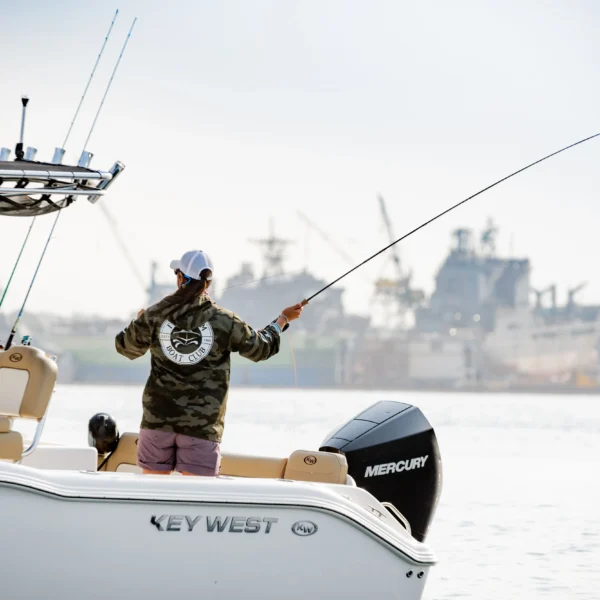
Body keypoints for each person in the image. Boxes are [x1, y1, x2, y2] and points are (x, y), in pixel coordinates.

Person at [115, 249, 303, 477]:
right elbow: (260, 348)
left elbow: (125, 347)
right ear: (209, 283)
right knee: (196, 495)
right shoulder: (225, 320)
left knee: (154, 492)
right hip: (201, 429)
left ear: (180, 278)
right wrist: (282, 320)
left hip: (156, 424)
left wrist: (139, 321)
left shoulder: (155, 315)